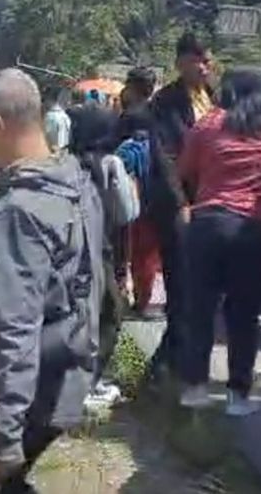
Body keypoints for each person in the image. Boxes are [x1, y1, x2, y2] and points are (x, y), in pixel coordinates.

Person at [0, 69, 104, 494]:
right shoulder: (78, 184)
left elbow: (14, 328)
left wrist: (4, 439)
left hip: (10, 394)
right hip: (63, 376)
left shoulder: (14, 212)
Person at [176, 66, 261, 417]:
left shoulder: (207, 125)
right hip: (257, 230)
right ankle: (238, 395)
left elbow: (185, 172)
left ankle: (194, 389)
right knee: (243, 314)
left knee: (200, 309)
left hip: (208, 223)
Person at [145, 32, 215, 384]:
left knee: (202, 287)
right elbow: (164, 156)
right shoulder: (165, 102)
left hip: (211, 202)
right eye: (197, 60)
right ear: (180, 63)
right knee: (180, 282)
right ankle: (168, 361)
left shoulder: (214, 99)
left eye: (208, 60)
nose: (205, 67)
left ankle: (176, 357)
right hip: (179, 204)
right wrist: (181, 203)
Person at [68, 103, 138, 410]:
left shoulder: (63, 162)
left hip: (66, 250)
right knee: (109, 314)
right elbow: (127, 213)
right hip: (101, 250)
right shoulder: (111, 163)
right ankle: (89, 383)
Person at [116, 67, 165, 316]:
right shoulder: (163, 112)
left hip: (133, 192)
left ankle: (132, 303)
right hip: (161, 190)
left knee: (134, 249)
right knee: (151, 250)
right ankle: (146, 300)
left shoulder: (129, 117)